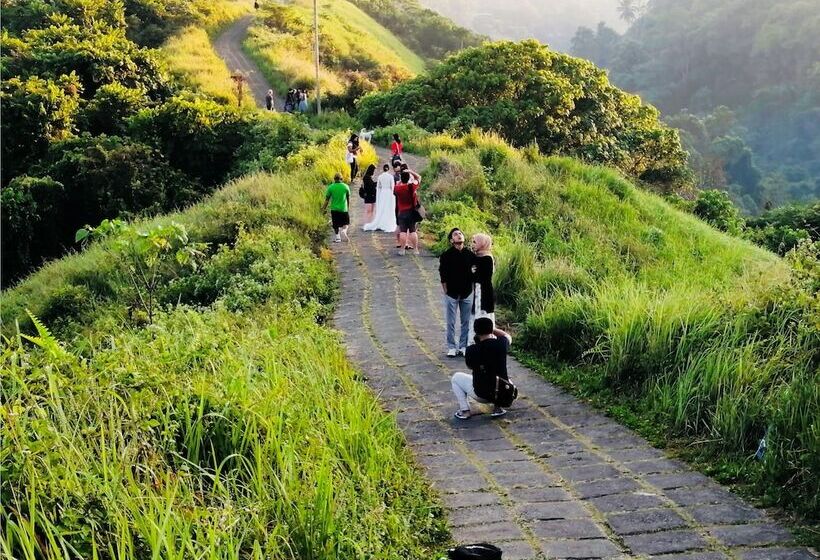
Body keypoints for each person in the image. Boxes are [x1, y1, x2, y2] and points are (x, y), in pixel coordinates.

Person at [451, 317, 512, 420]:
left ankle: (465, 411)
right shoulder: (501, 344)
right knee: (505, 378)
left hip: (481, 394)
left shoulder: (471, 350)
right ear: (491, 329)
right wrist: (493, 329)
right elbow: (507, 336)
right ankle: (498, 408)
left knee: (456, 378)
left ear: (476, 331)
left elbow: (470, 366)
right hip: (502, 391)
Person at [439, 228, 475, 357]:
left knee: (465, 321)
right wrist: (446, 291)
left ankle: (463, 345)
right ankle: (451, 347)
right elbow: (442, 274)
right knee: (451, 321)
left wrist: (472, 289)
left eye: (460, 233)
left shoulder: (470, 255)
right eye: (455, 234)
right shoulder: (446, 255)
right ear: (451, 240)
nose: (459, 236)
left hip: (467, 292)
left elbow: (474, 273)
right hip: (452, 293)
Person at [468, 233, 495, 342]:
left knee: (482, 315)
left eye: (475, 242)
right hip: (477, 291)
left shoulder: (487, 258)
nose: (472, 244)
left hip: (483, 292)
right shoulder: (477, 257)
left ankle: (483, 341)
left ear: (482, 244)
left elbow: (482, 277)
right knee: (475, 315)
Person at [363, 164, 397, 232]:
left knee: (382, 208)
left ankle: (380, 221)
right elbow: (392, 187)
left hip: (382, 193)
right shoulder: (390, 177)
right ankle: (387, 222)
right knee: (388, 208)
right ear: (388, 169)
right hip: (389, 193)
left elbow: (378, 187)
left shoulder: (380, 177)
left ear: (383, 169)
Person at [394, 171, 420, 256]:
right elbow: (418, 177)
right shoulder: (411, 186)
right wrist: (410, 171)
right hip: (411, 212)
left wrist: (401, 180)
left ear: (401, 178)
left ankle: (402, 250)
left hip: (401, 212)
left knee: (403, 232)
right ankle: (415, 249)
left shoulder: (397, 188)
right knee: (412, 231)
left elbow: (397, 185)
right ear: (409, 178)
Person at [322, 173, 350, 243]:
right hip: (343, 208)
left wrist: (323, 208)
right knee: (346, 223)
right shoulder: (345, 186)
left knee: (335, 224)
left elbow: (327, 200)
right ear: (341, 179)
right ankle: (344, 231)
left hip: (334, 209)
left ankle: (338, 238)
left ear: (334, 179)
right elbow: (348, 198)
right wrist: (348, 207)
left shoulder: (331, 187)